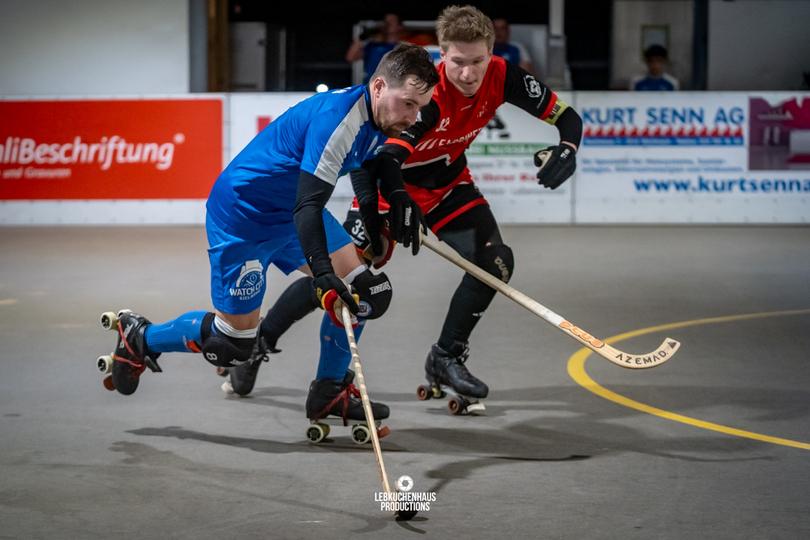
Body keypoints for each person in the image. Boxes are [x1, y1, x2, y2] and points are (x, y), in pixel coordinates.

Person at [244, 5, 582, 414]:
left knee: (495, 263)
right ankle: (261, 341)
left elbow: (567, 116)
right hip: (391, 187)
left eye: (478, 61)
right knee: (347, 279)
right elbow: (379, 161)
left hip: (449, 184)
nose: (469, 74)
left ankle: (446, 357)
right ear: (442, 55)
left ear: (493, 54)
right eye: (458, 63)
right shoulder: (426, 99)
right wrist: (383, 209)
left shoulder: (506, 76)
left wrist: (568, 147)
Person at [103, 44, 438, 426]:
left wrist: (395, 197)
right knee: (232, 344)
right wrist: (323, 272)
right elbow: (308, 208)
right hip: (243, 216)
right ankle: (141, 337)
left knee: (362, 291)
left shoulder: (379, 116)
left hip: (288, 210)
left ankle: (329, 392)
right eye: (409, 103)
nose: (414, 117)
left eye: (421, 106)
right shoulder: (338, 120)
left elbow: (373, 159)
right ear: (379, 87)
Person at [346, 13, 408, 84]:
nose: (388, 24)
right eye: (386, 21)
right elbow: (350, 57)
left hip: (391, 88)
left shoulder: (403, 48)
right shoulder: (373, 45)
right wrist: (363, 36)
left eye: (392, 21)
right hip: (370, 87)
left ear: (399, 27)